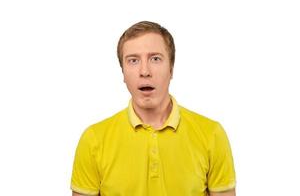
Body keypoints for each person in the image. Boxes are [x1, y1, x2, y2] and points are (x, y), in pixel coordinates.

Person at [71, 21, 236, 196]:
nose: (144, 71)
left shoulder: (211, 135)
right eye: (133, 60)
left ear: (171, 68)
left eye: (155, 59)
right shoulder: (93, 140)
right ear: (123, 72)